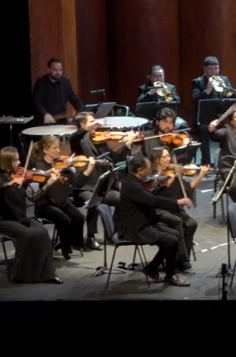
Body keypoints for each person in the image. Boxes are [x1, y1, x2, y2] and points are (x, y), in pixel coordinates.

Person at [114, 155, 193, 286]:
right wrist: (177, 202)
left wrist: (159, 188)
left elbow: (148, 198)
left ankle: (151, 268)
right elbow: (151, 201)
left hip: (144, 223)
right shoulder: (132, 185)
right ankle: (169, 275)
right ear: (140, 170)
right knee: (171, 241)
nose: (151, 171)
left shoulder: (135, 181)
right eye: (148, 168)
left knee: (176, 235)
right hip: (135, 228)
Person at [70, 111, 135, 250]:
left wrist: (127, 146)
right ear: (82, 125)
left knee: (122, 199)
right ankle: (91, 237)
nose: (96, 124)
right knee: (95, 202)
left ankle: (116, 232)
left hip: (102, 186)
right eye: (91, 122)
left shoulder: (99, 140)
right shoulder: (78, 142)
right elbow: (76, 136)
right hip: (84, 187)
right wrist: (87, 129)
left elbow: (113, 158)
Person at [0, 147, 59, 283]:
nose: (19, 162)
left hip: (21, 218)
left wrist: (49, 183)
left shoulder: (20, 177)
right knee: (28, 235)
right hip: (4, 220)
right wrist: (9, 183)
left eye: (19, 159)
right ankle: (22, 274)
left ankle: (47, 273)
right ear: (6, 161)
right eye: (15, 160)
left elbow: (33, 197)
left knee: (42, 232)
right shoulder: (3, 178)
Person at [31, 136, 92, 259]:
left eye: (58, 147)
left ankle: (70, 243)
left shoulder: (63, 166)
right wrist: (52, 173)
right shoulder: (40, 167)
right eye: (55, 148)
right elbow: (40, 189)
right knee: (63, 219)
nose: (58, 151)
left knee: (79, 217)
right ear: (45, 150)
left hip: (62, 202)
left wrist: (88, 169)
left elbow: (77, 183)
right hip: (45, 204)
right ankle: (65, 246)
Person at [148, 147, 206, 271]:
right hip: (159, 210)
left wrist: (201, 175)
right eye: (165, 157)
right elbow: (151, 194)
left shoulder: (172, 173)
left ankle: (181, 259)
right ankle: (183, 259)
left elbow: (189, 187)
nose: (169, 159)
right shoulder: (151, 175)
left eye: (169, 156)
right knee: (176, 221)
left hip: (174, 209)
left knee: (191, 223)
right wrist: (167, 181)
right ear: (157, 160)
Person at [191, 56, 236, 165]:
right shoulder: (197, 82)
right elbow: (194, 100)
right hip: (204, 119)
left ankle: (226, 160)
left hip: (221, 117)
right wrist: (207, 90)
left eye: (216, 68)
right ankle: (206, 162)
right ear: (205, 69)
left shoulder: (224, 79)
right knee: (203, 129)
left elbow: (232, 96)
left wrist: (225, 88)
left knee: (230, 128)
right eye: (211, 69)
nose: (214, 72)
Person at [32, 58, 85, 125]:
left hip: (62, 121)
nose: (58, 72)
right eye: (55, 70)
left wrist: (82, 111)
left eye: (60, 70)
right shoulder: (41, 82)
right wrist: (45, 113)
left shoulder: (65, 82)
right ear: (48, 70)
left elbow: (74, 99)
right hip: (46, 121)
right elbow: (36, 101)